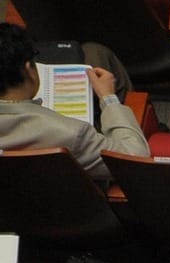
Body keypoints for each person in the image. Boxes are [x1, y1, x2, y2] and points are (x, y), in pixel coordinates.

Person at [0, 22, 149, 184]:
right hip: (66, 198)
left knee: (94, 52)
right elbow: (134, 158)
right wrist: (108, 98)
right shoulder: (71, 133)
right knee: (97, 54)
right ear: (28, 69)